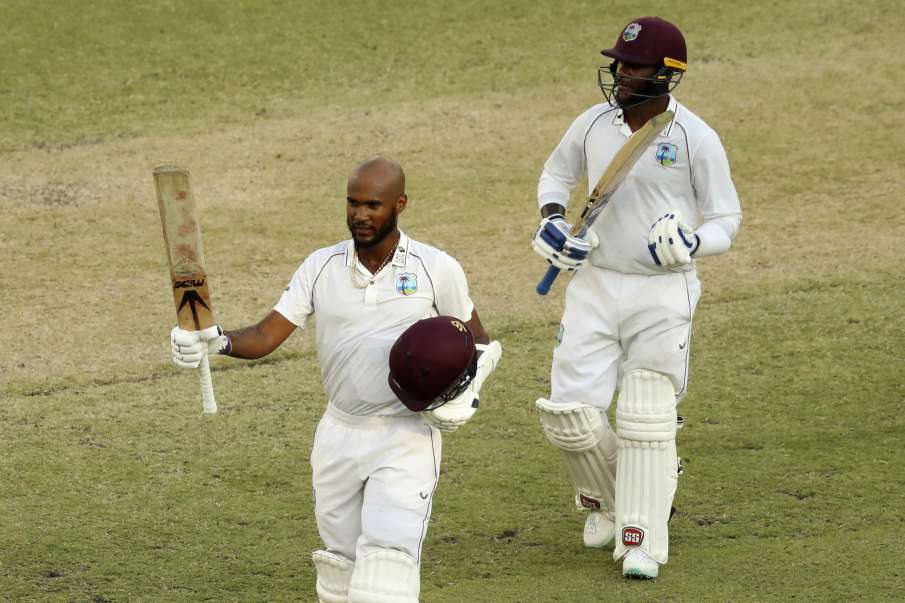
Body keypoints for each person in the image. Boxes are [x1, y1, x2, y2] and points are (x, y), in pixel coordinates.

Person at [169, 156, 501, 602]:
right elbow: (268, 334)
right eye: (353, 203)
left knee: (386, 568)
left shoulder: (436, 268)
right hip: (339, 434)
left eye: (373, 205)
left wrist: (466, 395)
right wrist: (217, 341)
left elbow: (476, 340)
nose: (360, 215)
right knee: (340, 571)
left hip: (406, 437)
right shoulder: (320, 267)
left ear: (399, 204)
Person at [531, 16, 742, 580]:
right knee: (569, 415)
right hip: (594, 284)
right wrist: (553, 221)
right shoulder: (592, 123)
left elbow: (727, 219)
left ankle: (641, 539)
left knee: (647, 416)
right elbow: (554, 178)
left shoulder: (695, 138)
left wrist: (695, 241)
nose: (621, 74)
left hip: (661, 292)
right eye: (620, 63)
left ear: (668, 74)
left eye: (636, 66)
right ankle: (608, 499)